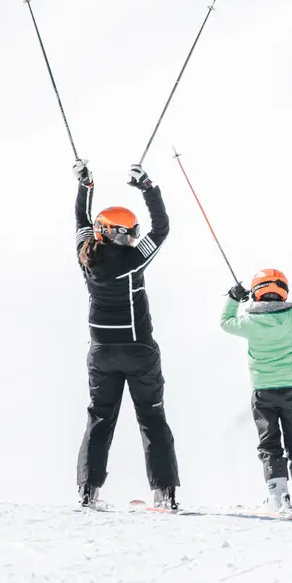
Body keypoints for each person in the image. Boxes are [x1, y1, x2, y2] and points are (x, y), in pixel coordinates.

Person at [72, 159, 179, 510]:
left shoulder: (85, 256)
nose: (131, 236)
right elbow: (161, 228)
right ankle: (164, 493)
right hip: (138, 350)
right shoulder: (134, 260)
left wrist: (85, 185)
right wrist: (147, 186)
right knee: (152, 417)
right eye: (127, 231)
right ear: (113, 233)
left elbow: (81, 222)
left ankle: (88, 491)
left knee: (100, 418)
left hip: (101, 352)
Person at [219, 268, 292, 517]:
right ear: (283, 293)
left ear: (256, 295)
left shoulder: (249, 323)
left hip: (262, 393)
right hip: (291, 391)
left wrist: (234, 298)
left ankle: (278, 496)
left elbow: (225, 322)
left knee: (270, 444)